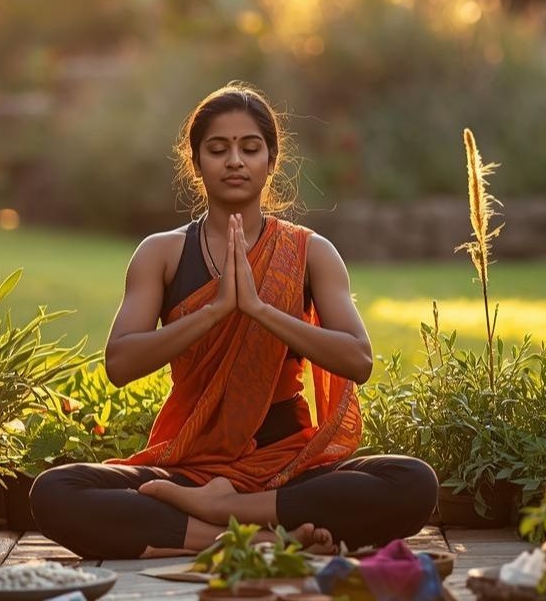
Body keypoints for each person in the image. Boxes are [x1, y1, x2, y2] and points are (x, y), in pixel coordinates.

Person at [28, 82, 438, 560]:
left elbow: (359, 359)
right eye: (218, 149)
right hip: (191, 467)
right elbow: (120, 363)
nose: (235, 161)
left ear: (271, 159)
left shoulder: (310, 253)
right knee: (56, 491)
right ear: (197, 162)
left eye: (250, 148)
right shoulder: (162, 253)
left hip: (289, 465)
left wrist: (261, 311)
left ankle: (230, 513)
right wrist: (215, 311)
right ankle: (256, 536)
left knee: (412, 482)